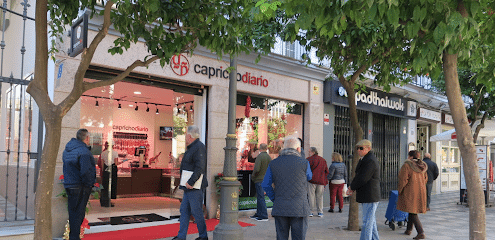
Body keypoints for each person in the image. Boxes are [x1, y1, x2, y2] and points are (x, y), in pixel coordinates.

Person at [262, 136, 312, 240]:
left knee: (281, 237)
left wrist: (275, 198)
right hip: (299, 208)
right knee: (299, 237)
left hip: (280, 206)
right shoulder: (304, 163)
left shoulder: (273, 163)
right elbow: (309, 177)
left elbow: (265, 184)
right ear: (298, 149)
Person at [172, 125, 208, 240]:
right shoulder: (192, 147)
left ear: (190, 136)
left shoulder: (199, 147)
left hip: (194, 187)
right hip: (188, 187)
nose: (185, 137)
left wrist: (191, 182)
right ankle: (181, 236)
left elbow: (200, 167)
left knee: (196, 212)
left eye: (186, 135)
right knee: (184, 210)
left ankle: (203, 236)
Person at [63, 129, 96, 240]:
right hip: (80, 186)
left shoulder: (67, 150)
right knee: (79, 214)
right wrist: (89, 184)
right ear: (86, 138)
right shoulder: (84, 151)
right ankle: (74, 237)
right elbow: (85, 171)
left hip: (70, 184)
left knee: (73, 213)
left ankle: (73, 236)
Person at [346, 139, 380, 240]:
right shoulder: (365, 159)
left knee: (367, 222)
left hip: (370, 195)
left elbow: (363, 178)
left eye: (361, 148)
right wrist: (352, 187)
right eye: (357, 148)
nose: (358, 150)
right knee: (371, 221)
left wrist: (352, 187)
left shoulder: (370, 160)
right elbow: (359, 176)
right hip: (368, 195)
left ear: (368, 148)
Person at [397, 150, 428, 239]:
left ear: (410, 156)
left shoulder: (407, 165)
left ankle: (420, 232)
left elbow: (403, 179)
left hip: (410, 191)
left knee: (413, 212)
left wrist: (400, 190)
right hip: (420, 191)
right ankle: (408, 229)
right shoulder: (422, 166)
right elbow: (426, 179)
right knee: (412, 209)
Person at [250, 143, 272, 221]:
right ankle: (259, 213)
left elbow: (257, 169)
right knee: (260, 197)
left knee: (260, 197)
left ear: (260, 148)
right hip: (265, 180)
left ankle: (263, 215)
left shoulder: (260, 157)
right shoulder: (269, 157)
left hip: (259, 179)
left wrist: (253, 176)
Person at [306, 147, 329, 217]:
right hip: (321, 181)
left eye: (309, 151)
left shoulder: (308, 160)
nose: (308, 153)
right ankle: (320, 212)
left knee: (311, 196)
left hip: (311, 180)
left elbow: (306, 170)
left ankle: (311, 211)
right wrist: (325, 181)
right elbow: (326, 171)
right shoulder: (323, 160)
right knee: (320, 197)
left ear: (312, 152)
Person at [98, 141, 120, 207]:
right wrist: (122, 162)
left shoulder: (103, 153)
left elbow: (102, 164)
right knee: (112, 185)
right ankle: (110, 201)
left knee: (105, 185)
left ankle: (104, 201)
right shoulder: (115, 153)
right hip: (113, 169)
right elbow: (116, 163)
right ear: (113, 146)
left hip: (105, 170)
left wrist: (103, 171)